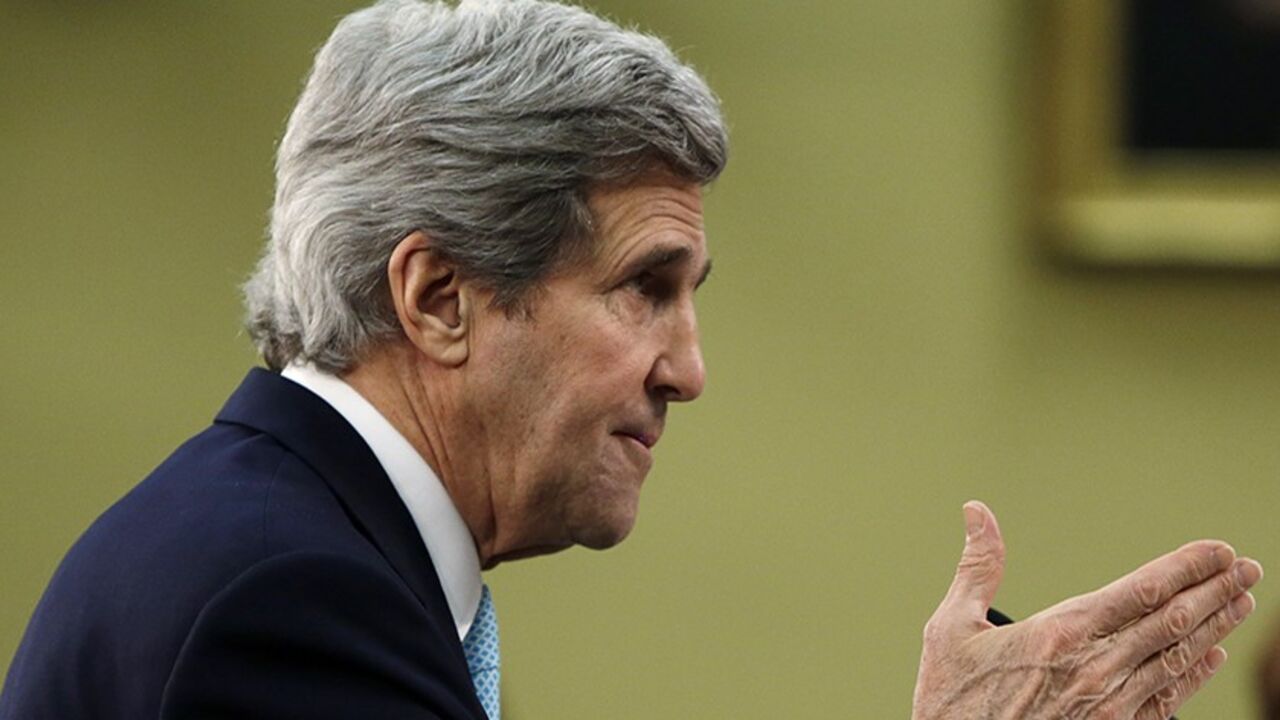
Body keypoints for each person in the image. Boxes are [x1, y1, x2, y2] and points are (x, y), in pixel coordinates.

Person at [0, 1, 1263, 718]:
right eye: (643, 290)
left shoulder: (281, 539)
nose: (687, 370)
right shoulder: (281, 605)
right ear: (438, 295)